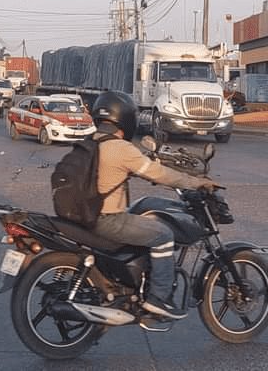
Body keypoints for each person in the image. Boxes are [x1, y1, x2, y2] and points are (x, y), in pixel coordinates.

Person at [89, 91, 217, 320]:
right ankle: (159, 298)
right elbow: (157, 173)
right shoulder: (120, 148)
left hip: (87, 215)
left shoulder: (92, 142)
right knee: (163, 235)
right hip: (107, 219)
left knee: (142, 216)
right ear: (125, 118)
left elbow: (114, 171)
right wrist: (195, 183)